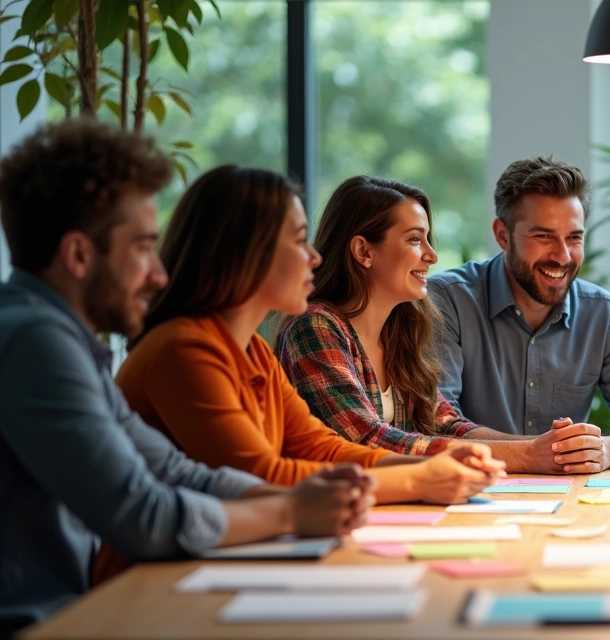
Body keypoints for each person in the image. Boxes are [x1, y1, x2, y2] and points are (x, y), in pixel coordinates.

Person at [0, 121, 372, 637]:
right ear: (79, 255)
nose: (157, 273)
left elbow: (175, 470)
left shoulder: (60, 338)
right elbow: (143, 515)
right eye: (142, 248)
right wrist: (290, 512)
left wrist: (305, 500)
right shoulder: (34, 342)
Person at [114, 164, 504, 503]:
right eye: (299, 241)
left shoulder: (252, 351)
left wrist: (437, 463)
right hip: (159, 579)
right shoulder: (185, 349)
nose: (314, 257)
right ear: (245, 252)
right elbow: (260, 476)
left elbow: (318, 446)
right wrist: (419, 476)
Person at [278, 176, 594, 473]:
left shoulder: (399, 329)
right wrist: (528, 455)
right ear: (363, 251)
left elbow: (445, 423)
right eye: (415, 240)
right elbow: (365, 439)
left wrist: (549, 448)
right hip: (334, 518)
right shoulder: (316, 327)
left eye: (428, 239)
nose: (432, 255)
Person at [429, 156, 610, 472]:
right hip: (469, 495)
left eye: (574, 238)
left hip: (568, 503)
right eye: (544, 236)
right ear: (503, 235)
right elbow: (436, 424)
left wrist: (606, 450)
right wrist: (535, 453)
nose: (562, 256)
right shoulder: (448, 301)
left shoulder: (600, 313)